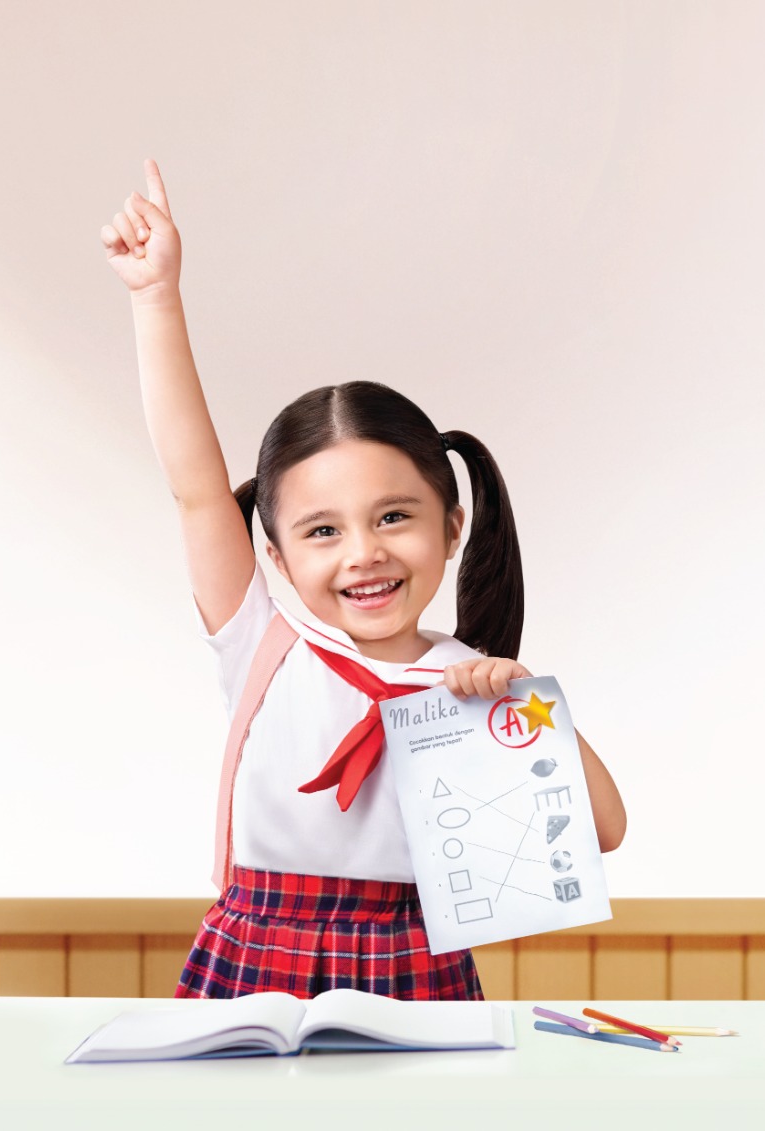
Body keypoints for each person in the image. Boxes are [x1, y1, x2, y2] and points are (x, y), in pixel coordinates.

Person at [100, 158, 627, 1000]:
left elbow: (603, 830)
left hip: (411, 959)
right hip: (255, 955)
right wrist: (154, 297)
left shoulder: (466, 683)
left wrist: (521, 705)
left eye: (394, 517)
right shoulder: (264, 641)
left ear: (452, 525)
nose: (363, 553)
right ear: (273, 553)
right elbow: (198, 488)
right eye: (321, 530)